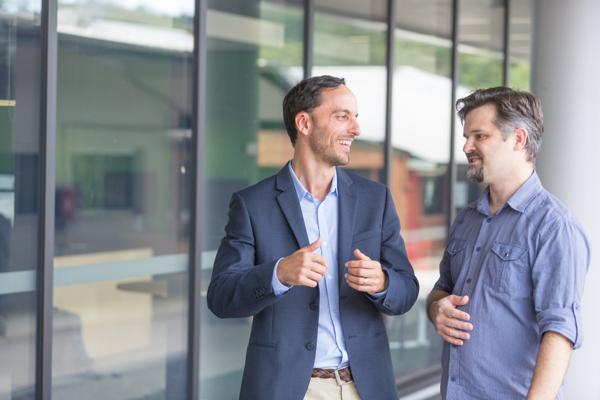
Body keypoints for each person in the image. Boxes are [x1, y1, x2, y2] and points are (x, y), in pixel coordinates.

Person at [207, 75, 419, 400]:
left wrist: (383, 282)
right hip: (289, 389)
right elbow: (221, 297)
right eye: (342, 116)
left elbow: (407, 290)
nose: (356, 129)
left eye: (355, 117)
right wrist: (278, 274)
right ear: (304, 123)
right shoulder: (252, 205)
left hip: (365, 387)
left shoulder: (375, 200)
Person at [427, 87, 590, 399]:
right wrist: (437, 310)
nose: (467, 147)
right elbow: (440, 289)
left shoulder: (554, 226)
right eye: (467, 137)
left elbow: (560, 331)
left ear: (518, 139)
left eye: (480, 136)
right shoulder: (466, 220)